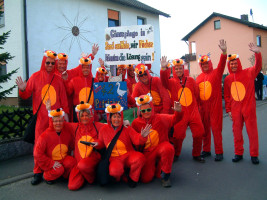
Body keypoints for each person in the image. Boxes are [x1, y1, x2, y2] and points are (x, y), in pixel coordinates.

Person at [16, 50, 69, 185]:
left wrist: (66, 115)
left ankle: (50, 171)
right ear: (43, 62)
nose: (50, 65)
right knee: (39, 147)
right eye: (48, 62)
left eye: (52, 63)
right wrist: (22, 89)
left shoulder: (58, 79)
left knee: (52, 145)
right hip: (40, 120)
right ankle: (37, 172)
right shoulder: (35, 77)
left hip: (55, 120)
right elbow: (26, 94)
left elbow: (63, 99)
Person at [131, 93, 183, 187]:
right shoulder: (135, 123)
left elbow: (175, 119)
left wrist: (178, 112)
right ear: (140, 111)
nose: (146, 112)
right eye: (143, 110)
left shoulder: (160, 118)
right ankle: (156, 164)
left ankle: (165, 176)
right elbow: (134, 139)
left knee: (168, 148)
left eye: (149, 109)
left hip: (160, 146)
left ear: (152, 109)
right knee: (146, 179)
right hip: (147, 152)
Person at [160, 57, 205, 163]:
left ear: (183, 68)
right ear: (173, 70)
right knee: (178, 136)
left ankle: (197, 154)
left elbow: (196, 94)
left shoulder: (191, 80)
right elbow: (163, 81)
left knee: (199, 132)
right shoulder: (171, 82)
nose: (178, 70)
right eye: (176, 69)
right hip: (180, 113)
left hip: (193, 111)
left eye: (180, 68)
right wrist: (163, 68)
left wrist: (198, 107)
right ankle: (176, 153)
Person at [224, 43, 262, 164]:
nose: (233, 65)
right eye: (231, 63)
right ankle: (238, 153)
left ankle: (254, 155)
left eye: (235, 63)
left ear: (238, 63)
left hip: (248, 108)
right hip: (235, 110)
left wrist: (257, 53)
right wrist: (228, 110)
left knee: (252, 132)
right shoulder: (228, 79)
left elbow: (258, 66)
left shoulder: (249, 72)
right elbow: (227, 96)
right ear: (229, 65)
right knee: (237, 133)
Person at [98, 103, 152, 187]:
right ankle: (121, 176)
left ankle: (133, 178)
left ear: (122, 117)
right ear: (110, 118)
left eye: (119, 116)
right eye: (114, 116)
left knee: (140, 158)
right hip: (114, 158)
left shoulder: (126, 128)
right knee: (115, 172)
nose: (117, 119)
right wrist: (96, 144)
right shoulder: (103, 129)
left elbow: (136, 139)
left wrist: (142, 136)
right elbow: (101, 143)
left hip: (128, 154)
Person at [196, 39, 227, 161]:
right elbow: (196, 93)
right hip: (203, 107)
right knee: (205, 130)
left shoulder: (216, 73)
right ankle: (206, 149)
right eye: (202, 64)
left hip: (215, 106)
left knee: (216, 129)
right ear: (200, 65)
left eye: (206, 64)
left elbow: (222, 63)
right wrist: (198, 106)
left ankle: (219, 151)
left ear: (210, 63)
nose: (204, 66)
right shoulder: (198, 78)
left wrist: (224, 52)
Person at [68, 102, 104, 190]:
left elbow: (112, 125)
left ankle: (91, 179)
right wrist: (49, 111)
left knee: (83, 166)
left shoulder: (97, 126)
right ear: (79, 116)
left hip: (93, 157)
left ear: (90, 115)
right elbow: (58, 123)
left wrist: (98, 143)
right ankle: (85, 174)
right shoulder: (75, 127)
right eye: (82, 115)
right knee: (72, 186)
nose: (84, 118)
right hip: (79, 162)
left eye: (86, 115)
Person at [34, 109, 76, 185]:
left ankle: (63, 175)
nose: (58, 123)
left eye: (60, 121)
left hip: (63, 158)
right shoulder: (45, 136)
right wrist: (51, 163)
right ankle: (47, 176)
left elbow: (72, 145)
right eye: (55, 121)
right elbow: (37, 154)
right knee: (59, 170)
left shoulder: (66, 132)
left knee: (72, 162)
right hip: (52, 160)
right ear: (51, 122)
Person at [65, 56, 97, 122]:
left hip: (91, 111)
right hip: (78, 112)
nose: (85, 69)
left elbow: (100, 96)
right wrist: (65, 81)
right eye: (84, 68)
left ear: (90, 68)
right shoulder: (74, 80)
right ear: (80, 68)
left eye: (87, 68)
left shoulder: (95, 80)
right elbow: (68, 92)